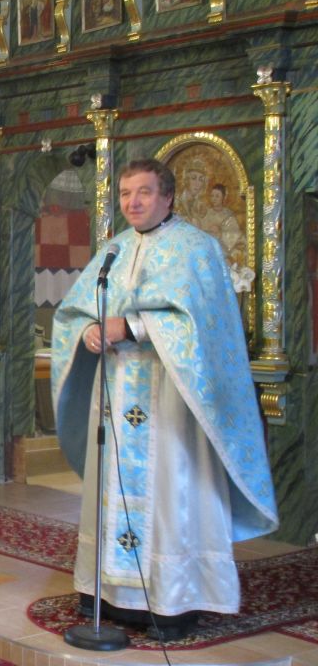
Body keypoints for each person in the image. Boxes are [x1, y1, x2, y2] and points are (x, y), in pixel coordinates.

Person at [51, 158, 278, 636]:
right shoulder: (113, 249)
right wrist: (90, 329)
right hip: (116, 391)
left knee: (171, 492)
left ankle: (172, 599)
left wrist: (133, 326)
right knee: (113, 485)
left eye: (144, 192)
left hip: (172, 397)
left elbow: (204, 326)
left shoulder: (198, 249)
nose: (133, 202)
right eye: (126, 194)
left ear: (168, 196)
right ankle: (108, 592)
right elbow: (76, 309)